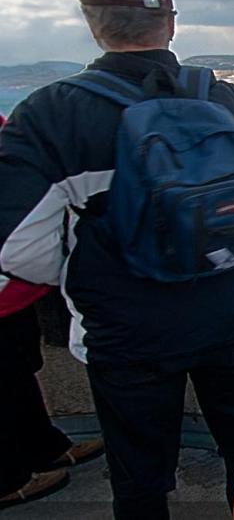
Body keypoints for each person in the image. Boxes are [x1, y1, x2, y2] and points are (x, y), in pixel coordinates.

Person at [0, 0, 234, 519]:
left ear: (92, 23)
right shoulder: (230, 102)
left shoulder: (51, 115)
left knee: (140, 479)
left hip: (125, 335)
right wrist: (221, 258)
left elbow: (18, 249)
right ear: (170, 21)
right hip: (232, 318)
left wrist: (91, 270)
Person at [0, 114, 106, 509]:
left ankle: (40, 445)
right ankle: (8, 476)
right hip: (10, 273)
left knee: (19, 367)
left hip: (13, 279)